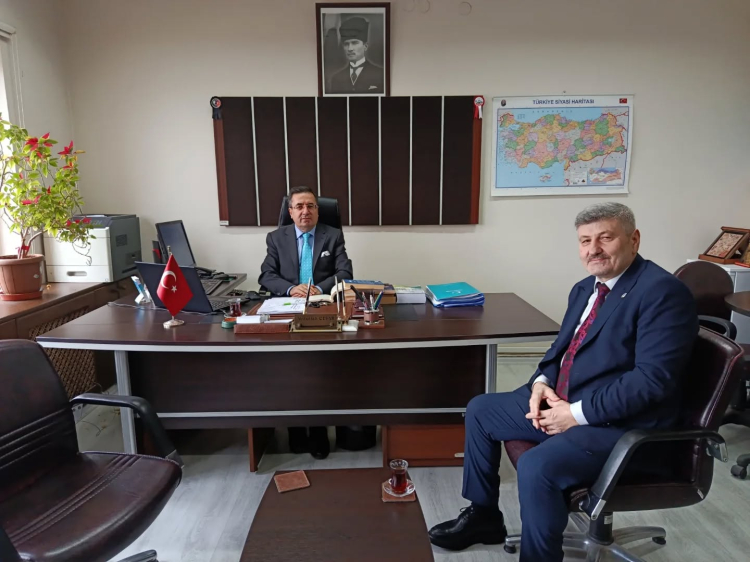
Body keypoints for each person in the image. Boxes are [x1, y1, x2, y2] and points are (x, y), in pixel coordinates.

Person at [428, 203, 698, 561]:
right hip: (570, 401)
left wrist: (574, 414)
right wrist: (541, 383)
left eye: (605, 238)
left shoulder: (662, 292)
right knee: (481, 409)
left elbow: (650, 382)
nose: (593, 249)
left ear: (634, 239)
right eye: (585, 241)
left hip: (624, 427)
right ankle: (484, 516)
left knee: (536, 466)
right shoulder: (586, 288)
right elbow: (561, 350)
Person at [258, 185, 353, 460]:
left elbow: (345, 271)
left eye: (310, 206)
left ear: (318, 210)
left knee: (319, 370)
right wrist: (291, 289)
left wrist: (318, 288)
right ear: (290, 212)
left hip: (322, 309)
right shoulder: (276, 238)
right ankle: (297, 430)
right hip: (288, 309)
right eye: (299, 206)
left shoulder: (332, 235)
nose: (305, 211)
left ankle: (319, 431)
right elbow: (266, 275)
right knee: (291, 370)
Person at [328, 16, 384, 94]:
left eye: (354, 43)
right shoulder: (336, 78)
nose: (350, 48)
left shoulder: (380, 74)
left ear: (365, 46)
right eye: (346, 44)